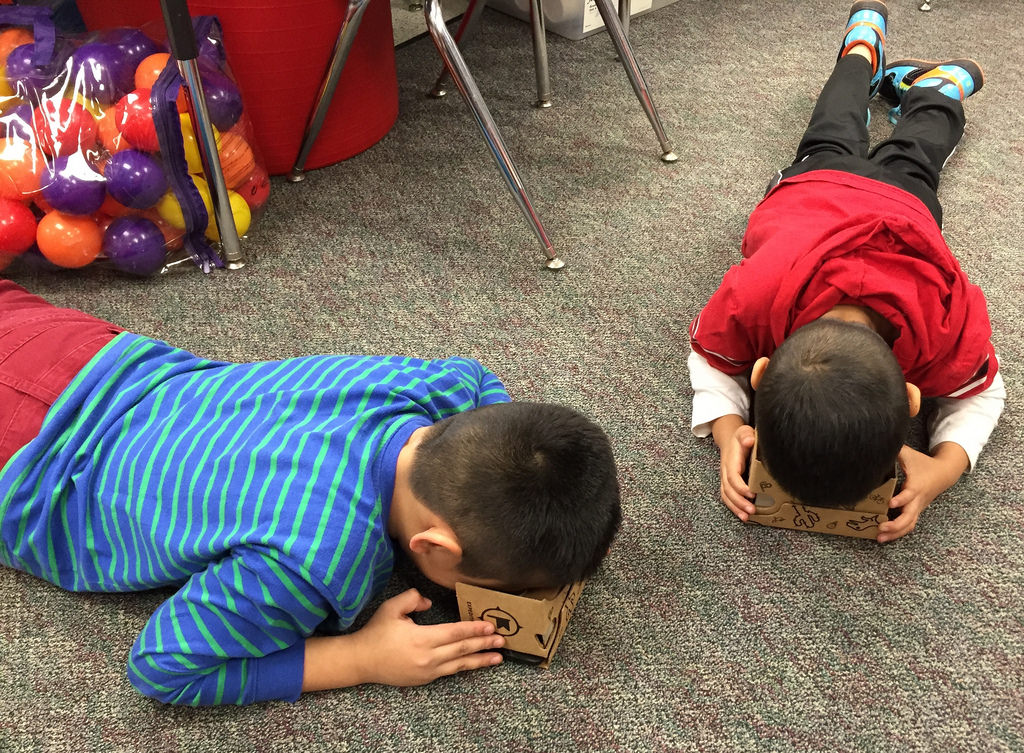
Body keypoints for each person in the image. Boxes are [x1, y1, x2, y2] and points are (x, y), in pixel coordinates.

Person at [0, 280, 621, 706]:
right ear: (433, 547)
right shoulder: (312, 564)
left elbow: (479, 381)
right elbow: (163, 669)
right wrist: (359, 658)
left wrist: (506, 472)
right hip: (29, 474)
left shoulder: (421, 391)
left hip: (78, 351)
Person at [687, 0, 1004, 543]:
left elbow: (984, 392)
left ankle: (932, 84)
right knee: (839, 128)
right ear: (912, 400)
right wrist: (728, 430)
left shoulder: (943, 321)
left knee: (911, 152)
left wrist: (943, 470)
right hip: (840, 191)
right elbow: (711, 357)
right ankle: (870, 56)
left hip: (866, 196)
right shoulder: (756, 297)